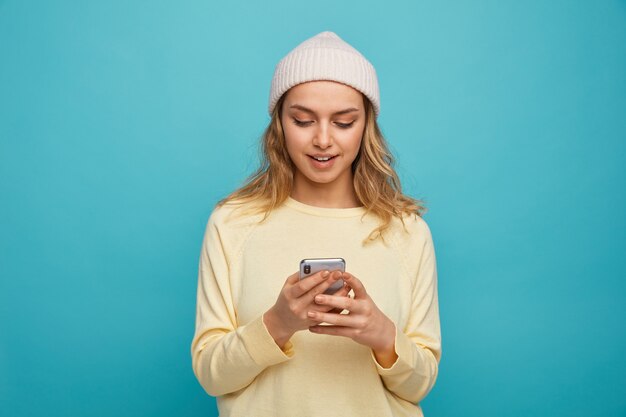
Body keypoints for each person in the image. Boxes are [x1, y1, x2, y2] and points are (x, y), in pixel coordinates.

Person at [191, 31, 441, 417]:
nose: (323, 139)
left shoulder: (406, 231)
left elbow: (421, 384)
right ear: (280, 125)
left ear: (366, 128)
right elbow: (211, 376)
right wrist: (278, 323)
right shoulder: (232, 224)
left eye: (343, 123)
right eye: (304, 120)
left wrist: (381, 335)